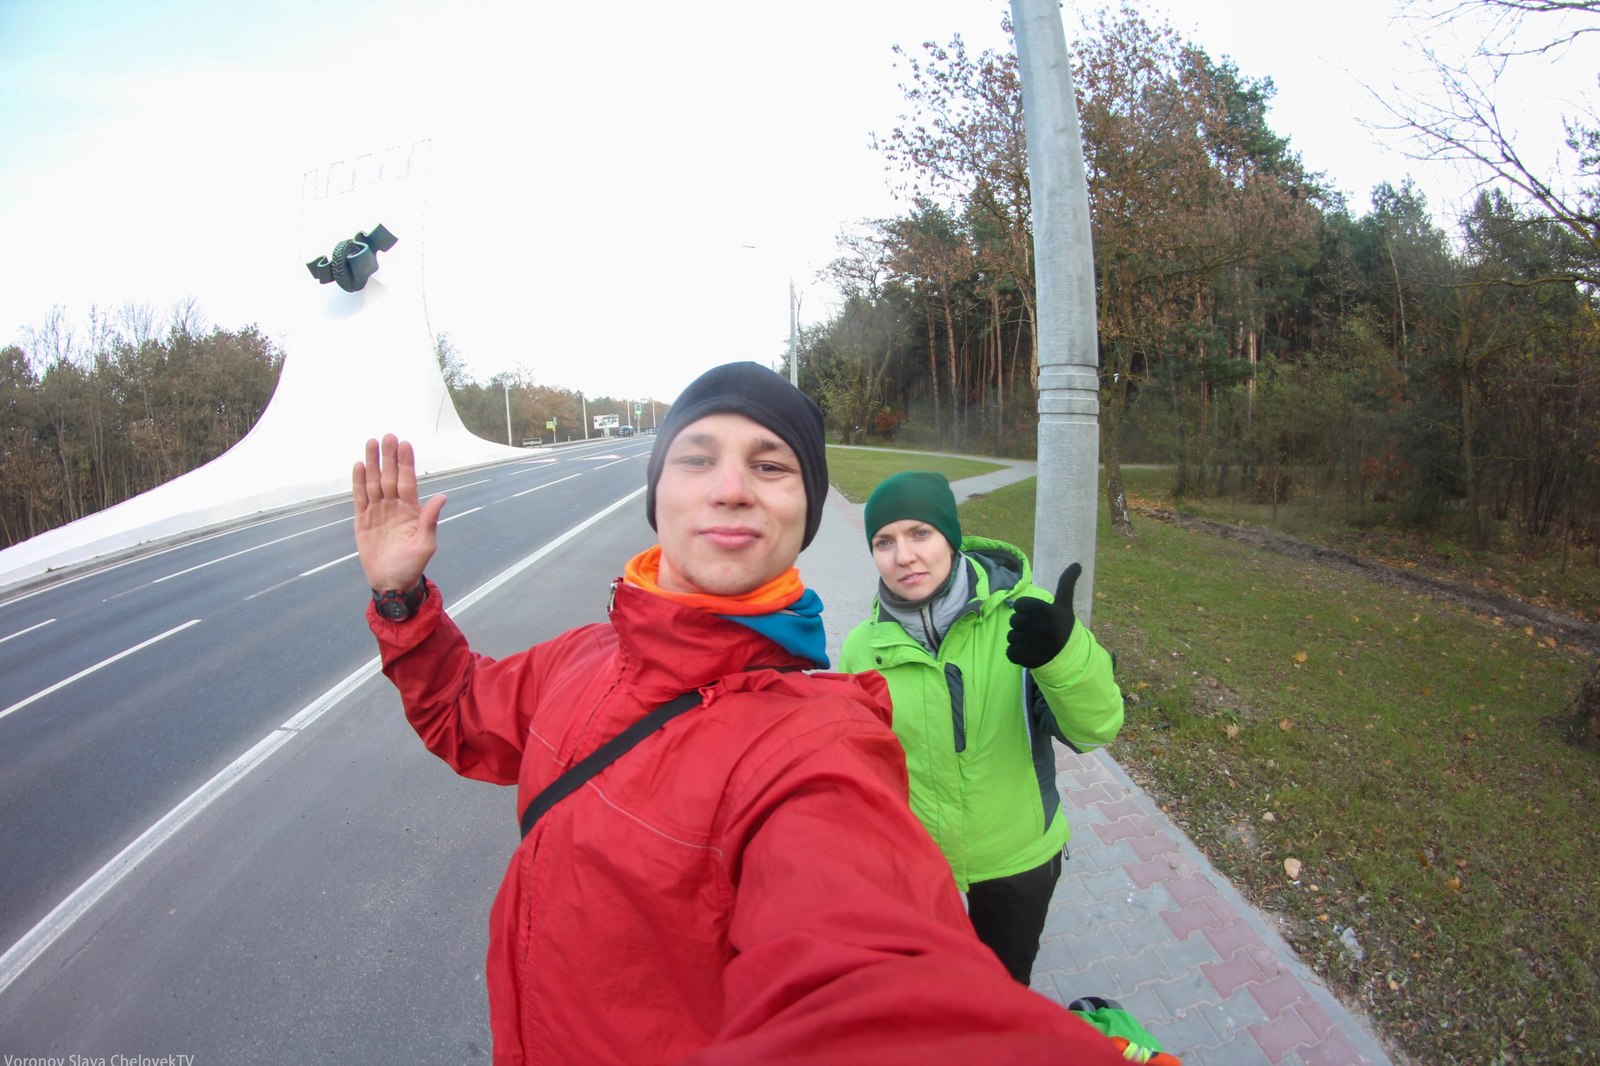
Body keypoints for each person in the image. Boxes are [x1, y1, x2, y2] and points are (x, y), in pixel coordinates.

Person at [352, 362, 1129, 1065]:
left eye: (770, 465)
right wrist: (402, 599)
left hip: (1014, 860)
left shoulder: (808, 734)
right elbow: (462, 713)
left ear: (804, 514)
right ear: (656, 492)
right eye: (696, 457)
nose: (731, 487)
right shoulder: (581, 657)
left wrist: (1062, 653)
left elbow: (864, 964)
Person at [840, 471, 1124, 985]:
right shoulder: (863, 648)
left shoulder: (1027, 618)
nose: (903, 556)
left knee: (1001, 994)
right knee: (934, 996)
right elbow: (864, 766)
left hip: (1018, 858)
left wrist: (1064, 658)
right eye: (885, 541)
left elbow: (1094, 731)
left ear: (951, 536)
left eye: (920, 533)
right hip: (919, 867)